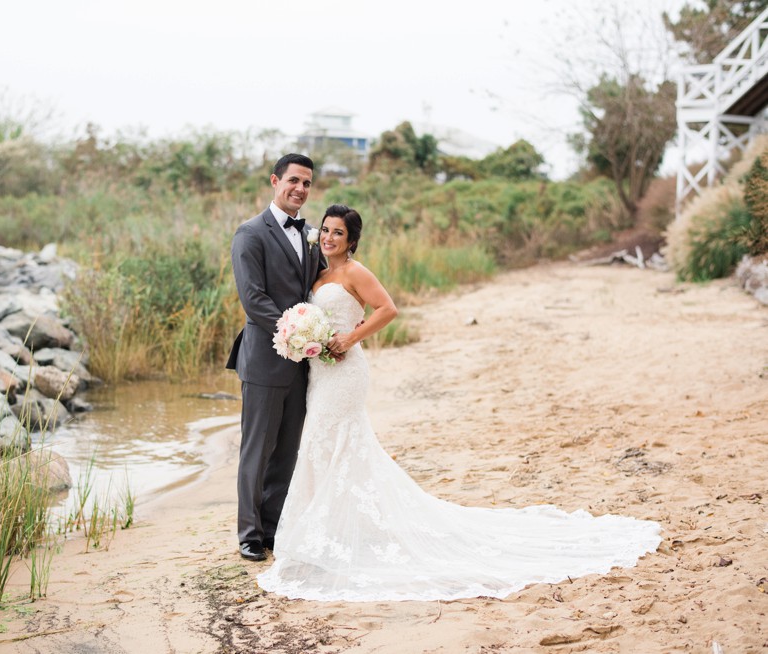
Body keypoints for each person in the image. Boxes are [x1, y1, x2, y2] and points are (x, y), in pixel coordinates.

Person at [257, 204, 662, 601]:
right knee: (324, 448)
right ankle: (331, 531)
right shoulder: (320, 271)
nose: (328, 237)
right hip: (321, 373)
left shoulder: (354, 272)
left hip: (345, 373)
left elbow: (388, 308)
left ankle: (335, 536)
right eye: (325, 230)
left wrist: (350, 337)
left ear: (352, 240)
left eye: (338, 233)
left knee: (335, 443)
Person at [227, 154, 325, 562]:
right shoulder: (250, 233)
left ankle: (272, 529)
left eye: (306, 183)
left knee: (286, 450)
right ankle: (248, 533)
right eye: (293, 181)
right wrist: (297, 332)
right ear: (274, 181)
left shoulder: (310, 235)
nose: (300, 189)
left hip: (303, 363)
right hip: (266, 360)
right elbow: (253, 300)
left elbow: (316, 285)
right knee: (257, 449)